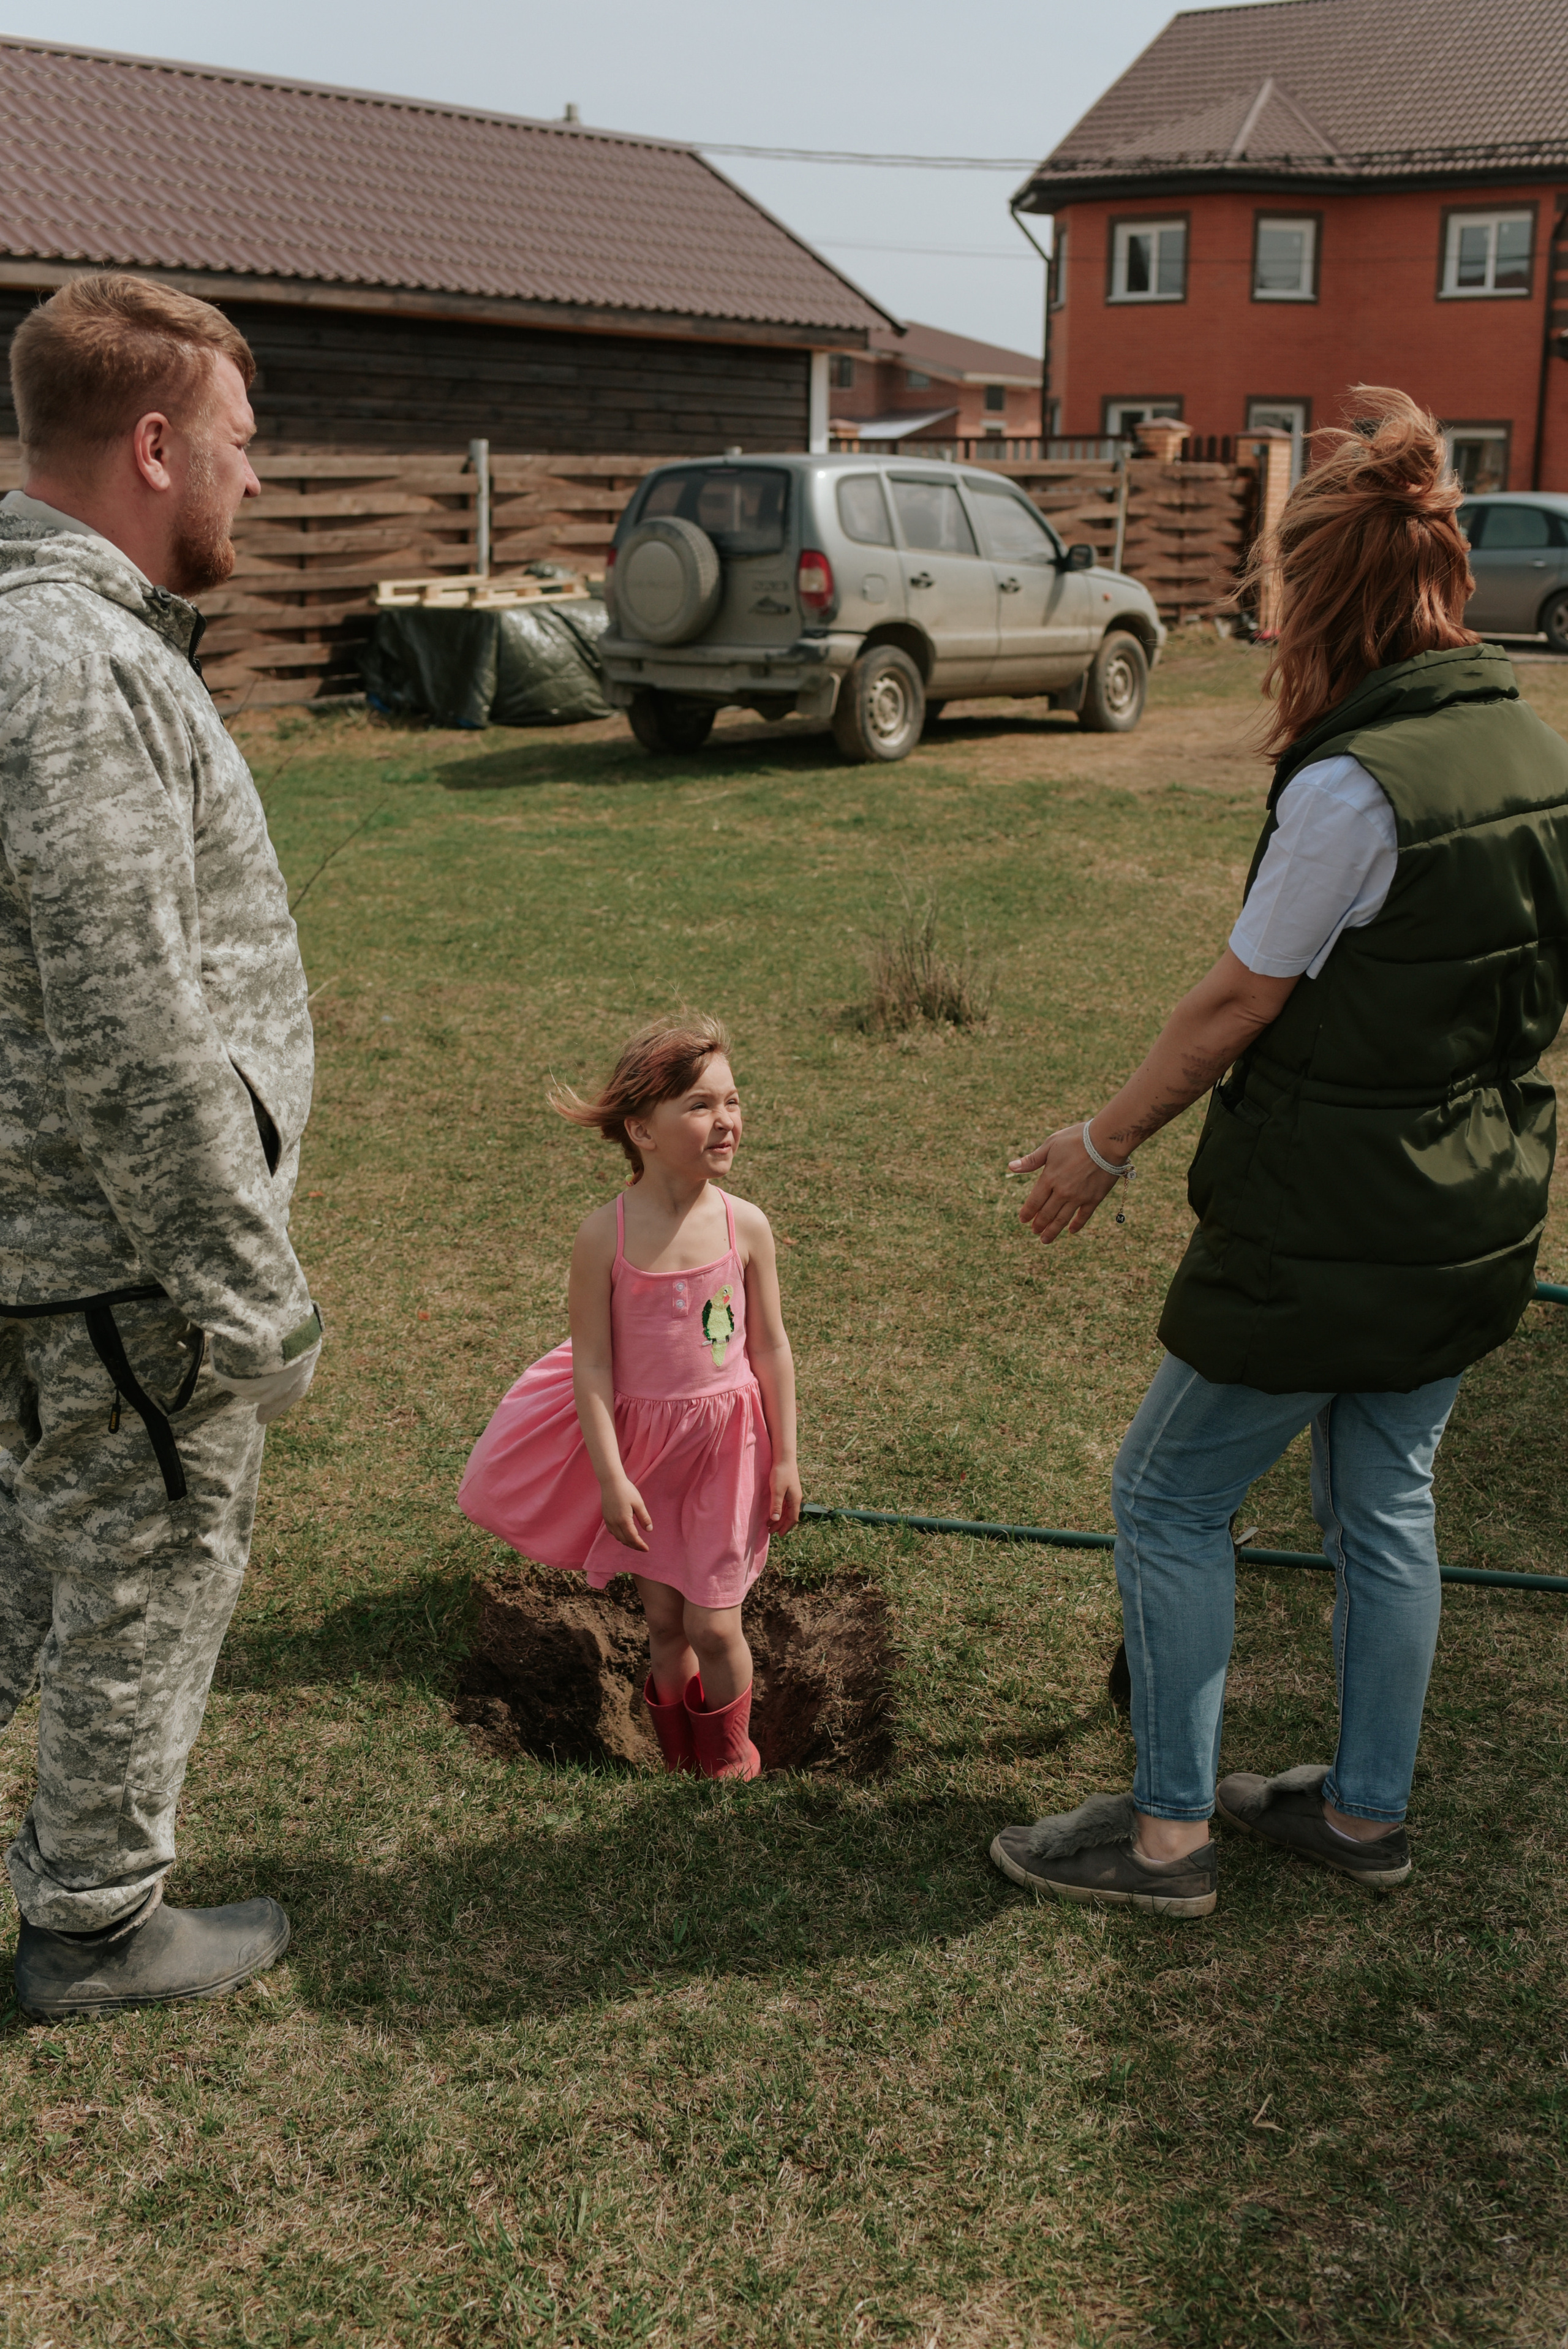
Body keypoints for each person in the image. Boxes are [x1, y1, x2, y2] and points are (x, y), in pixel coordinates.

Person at [989, 387, 1568, 1920]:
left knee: (1165, 1494)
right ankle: (1364, 1809)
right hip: (1472, 1203)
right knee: (1383, 1500)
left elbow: (1238, 997)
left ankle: (1166, 1835)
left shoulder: (1347, 784)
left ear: (1330, 591)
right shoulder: (1528, 742)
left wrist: (1099, 1145)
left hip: (1328, 1221)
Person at [0, 274, 321, 2016]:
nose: (253, 482)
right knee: (146, 1556)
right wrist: (246, 1292)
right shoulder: (71, 662)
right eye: (239, 445)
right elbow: (131, 1019)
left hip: (41, 1247)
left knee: (28, 1549)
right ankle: (97, 1923)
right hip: (112, 1262)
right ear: (151, 444)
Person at [459, 1016, 800, 1780]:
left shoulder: (745, 1226)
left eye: (733, 1101)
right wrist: (612, 1478)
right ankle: (677, 1758)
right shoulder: (602, 1236)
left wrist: (786, 1459)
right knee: (664, 1621)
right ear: (641, 1130)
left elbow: (770, 1347)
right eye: (701, 1106)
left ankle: (728, 1761)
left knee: (715, 1625)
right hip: (650, 1457)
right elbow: (593, 1369)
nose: (727, 1121)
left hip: (728, 1450)